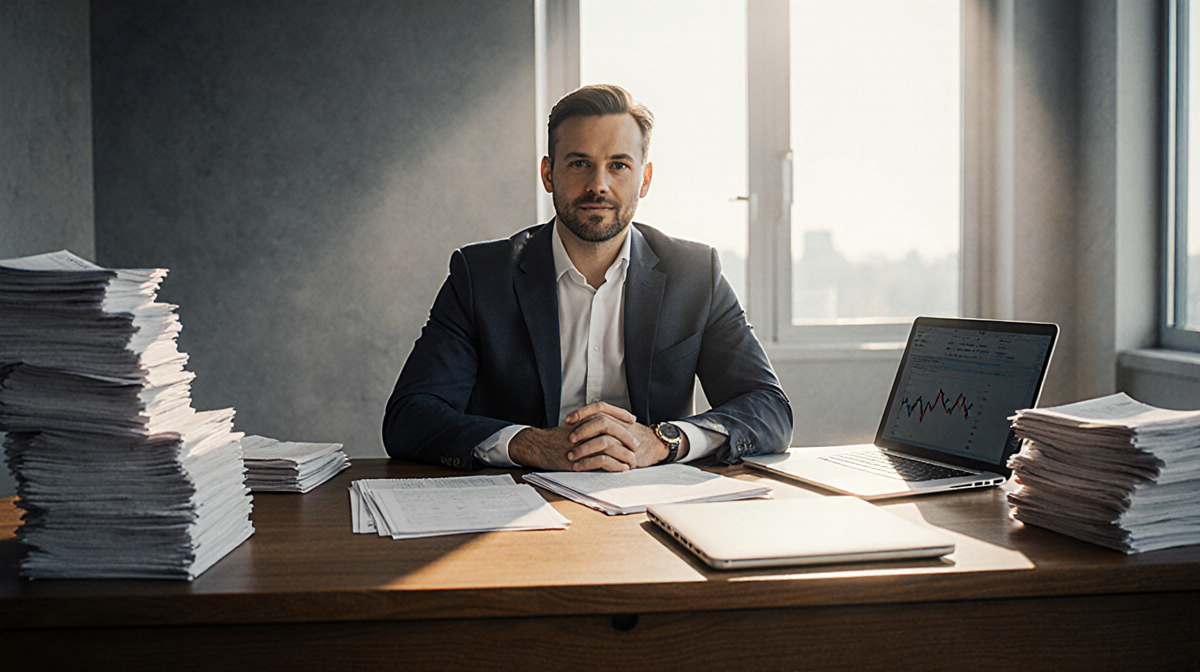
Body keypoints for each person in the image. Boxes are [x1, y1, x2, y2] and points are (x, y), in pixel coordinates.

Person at [383, 84, 792, 472]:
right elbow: (410, 416)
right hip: (516, 506)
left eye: (619, 166)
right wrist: (532, 444)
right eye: (580, 163)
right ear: (548, 174)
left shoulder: (695, 273)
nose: (599, 184)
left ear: (644, 179)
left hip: (651, 507)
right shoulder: (480, 276)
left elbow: (769, 409)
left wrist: (662, 441)